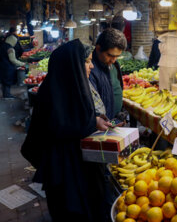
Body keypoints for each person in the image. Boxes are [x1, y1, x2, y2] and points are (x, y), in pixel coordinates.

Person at [21, 39, 112, 222]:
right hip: (64, 170)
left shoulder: (77, 87)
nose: (91, 66)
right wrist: (91, 122)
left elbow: (77, 118)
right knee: (69, 212)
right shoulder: (53, 92)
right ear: (72, 65)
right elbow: (60, 125)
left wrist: (93, 120)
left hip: (81, 165)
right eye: (86, 61)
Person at [90, 28, 127, 119]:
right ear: (98, 49)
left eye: (117, 56)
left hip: (114, 121)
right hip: (102, 125)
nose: (114, 60)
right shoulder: (90, 70)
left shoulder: (113, 65)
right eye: (110, 55)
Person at [0, 34, 26, 98]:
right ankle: (7, 95)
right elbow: (13, 60)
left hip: (2, 66)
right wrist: (22, 64)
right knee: (7, 81)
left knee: (4, 81)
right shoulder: (10, 49)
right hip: (8, 67)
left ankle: (5, 94)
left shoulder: (2, 45)